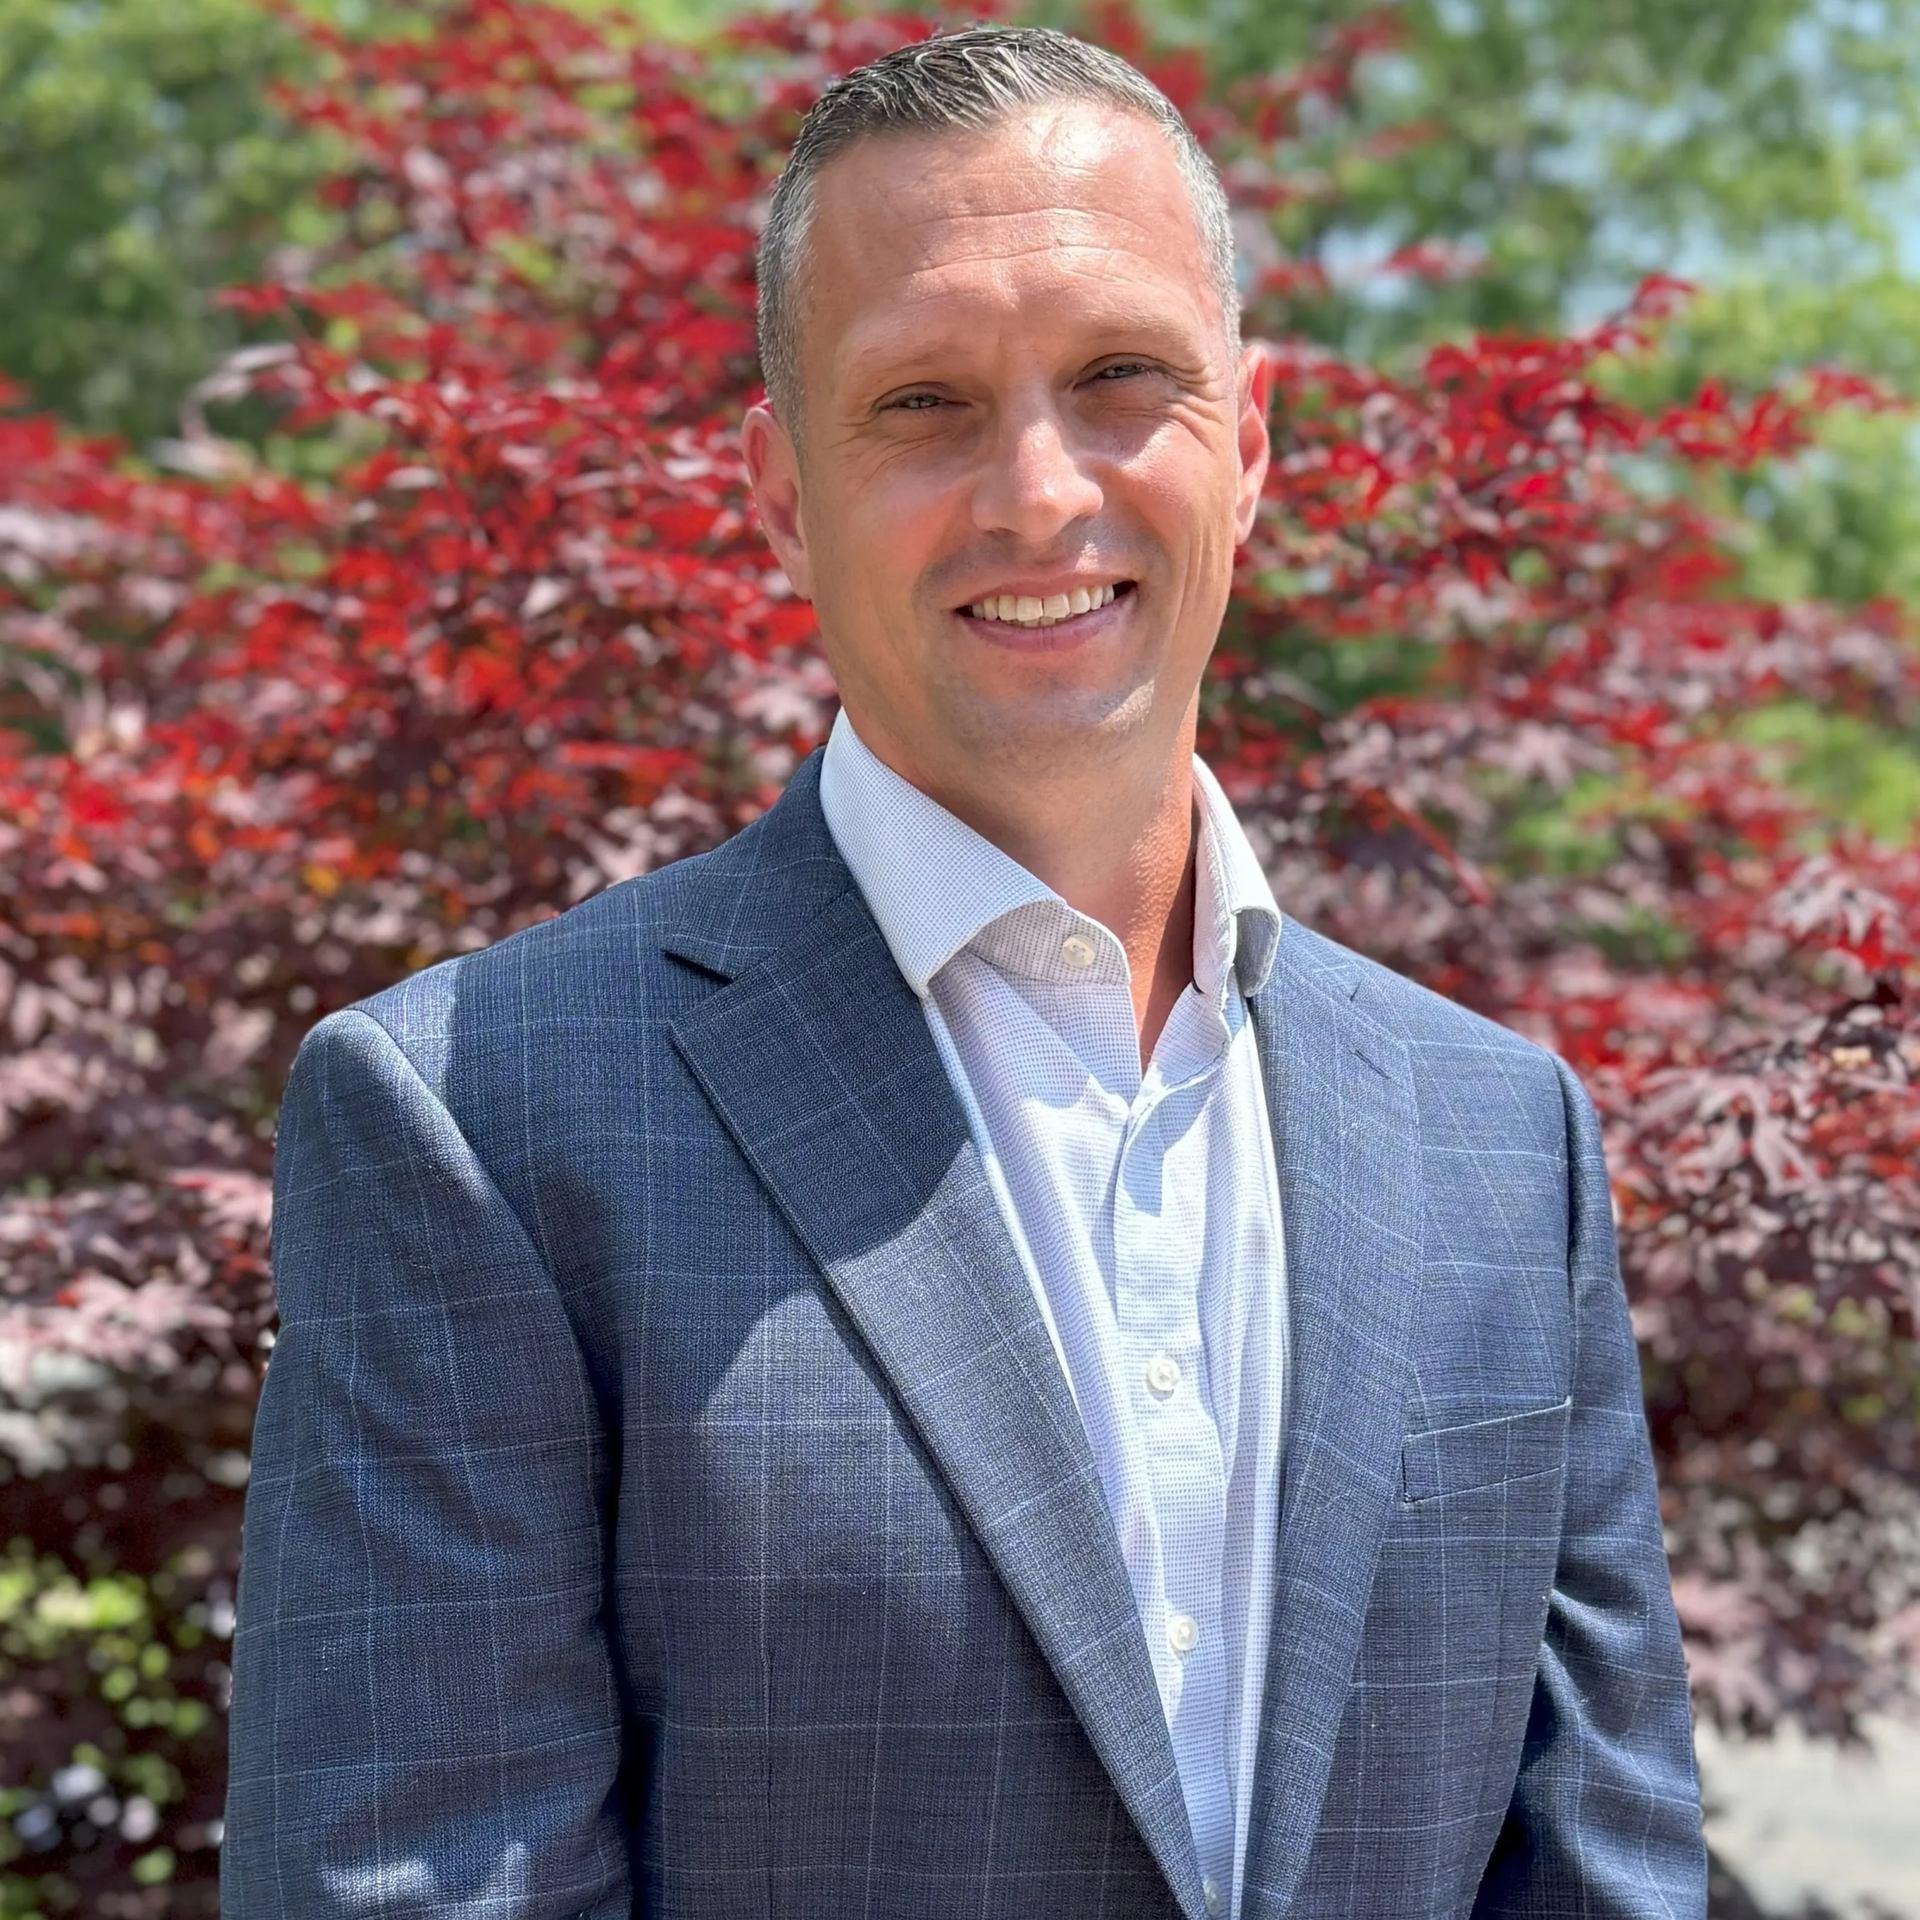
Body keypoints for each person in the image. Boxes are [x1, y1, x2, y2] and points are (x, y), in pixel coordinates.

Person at [223, 25, 1706, 1920]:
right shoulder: (481, 1124)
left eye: (1119, 379)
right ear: (776, 488)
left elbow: (1603, 1875)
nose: (1036, 492)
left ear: (1248, 446)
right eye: (921, 401)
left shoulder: (1509, 1139)